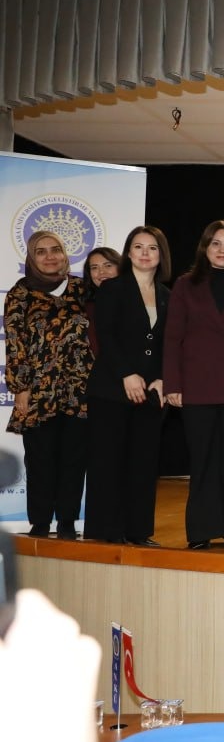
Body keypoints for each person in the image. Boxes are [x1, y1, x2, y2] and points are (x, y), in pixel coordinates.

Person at [163, 220, 224, 550]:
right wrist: (172, 384)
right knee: (202, 461)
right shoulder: (185, 285)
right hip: (197, 387)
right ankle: (201, 529)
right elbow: (172, 338)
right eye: (216, 243)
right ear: (205, 248)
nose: (222, 250)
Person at [84, 225, 171, 546]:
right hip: (111, 389)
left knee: (143, 464)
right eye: (138, 247)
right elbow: (106, 336)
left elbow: (170, 343)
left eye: (152, 248)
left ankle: (138, 531)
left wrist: (162, 377)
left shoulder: (167, 295)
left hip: (151, 394)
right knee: (108, 463)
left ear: (161, 255)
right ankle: (106, 533)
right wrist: (127, 374)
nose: (145, 253)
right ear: (129, 253)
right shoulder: (113, 288)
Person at [3, 231, 93, 540]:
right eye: (41, 251)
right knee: (40, 461)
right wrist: (21, 388)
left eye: (55, 249)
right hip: (38, 392)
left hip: (80, 391)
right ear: (31, 258)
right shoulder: (20, 293)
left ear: (66, 254)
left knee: (74, 460)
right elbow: (14, 342)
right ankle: (40, 523)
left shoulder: (83, 289)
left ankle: (67, 522)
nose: (50, 256)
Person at [83, 247, 121, 356]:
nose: (101, 272)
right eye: (94, 267)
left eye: (108, 265)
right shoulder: (88, 308)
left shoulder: (138, 300)